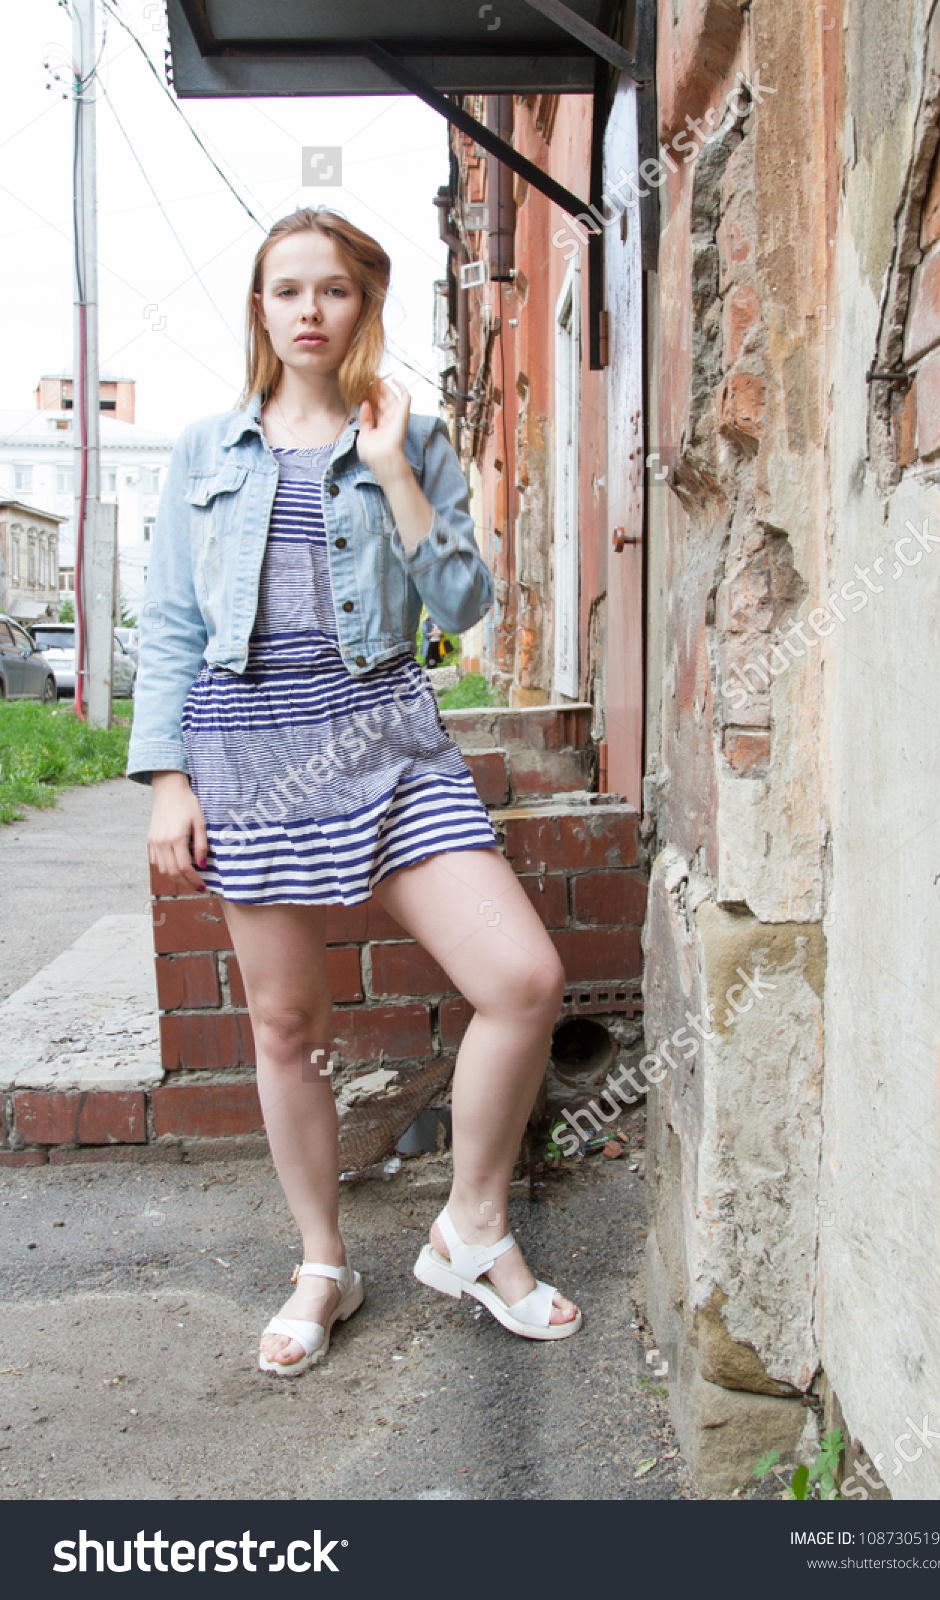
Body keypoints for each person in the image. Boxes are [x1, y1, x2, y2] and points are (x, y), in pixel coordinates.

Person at [127, 207, 581, 1375]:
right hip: (246, 749)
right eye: (288, 290)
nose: (310, 311)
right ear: (261, 309)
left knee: (521, 978)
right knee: (288, 1025)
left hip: (385, 735)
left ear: (363, 306)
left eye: (333, 290)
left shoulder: (411, 438)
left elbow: (465, 604)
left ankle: (470, 1227)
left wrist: (392, 473)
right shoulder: (201, 453)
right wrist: (167, 780)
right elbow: (171, 624)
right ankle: (322, 1261)